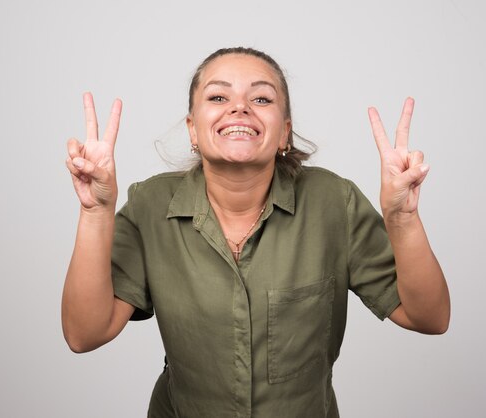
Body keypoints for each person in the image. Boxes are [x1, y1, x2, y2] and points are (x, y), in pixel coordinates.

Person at [61, 47, 450, 418]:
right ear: (193, 130)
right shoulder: (149, 204)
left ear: (284, 134)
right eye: (217, 97)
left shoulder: (335, 202)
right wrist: (95, 212)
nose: (240, 107)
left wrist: (402, 219)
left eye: (261, 99)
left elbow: (429, 317)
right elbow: (84, 334)